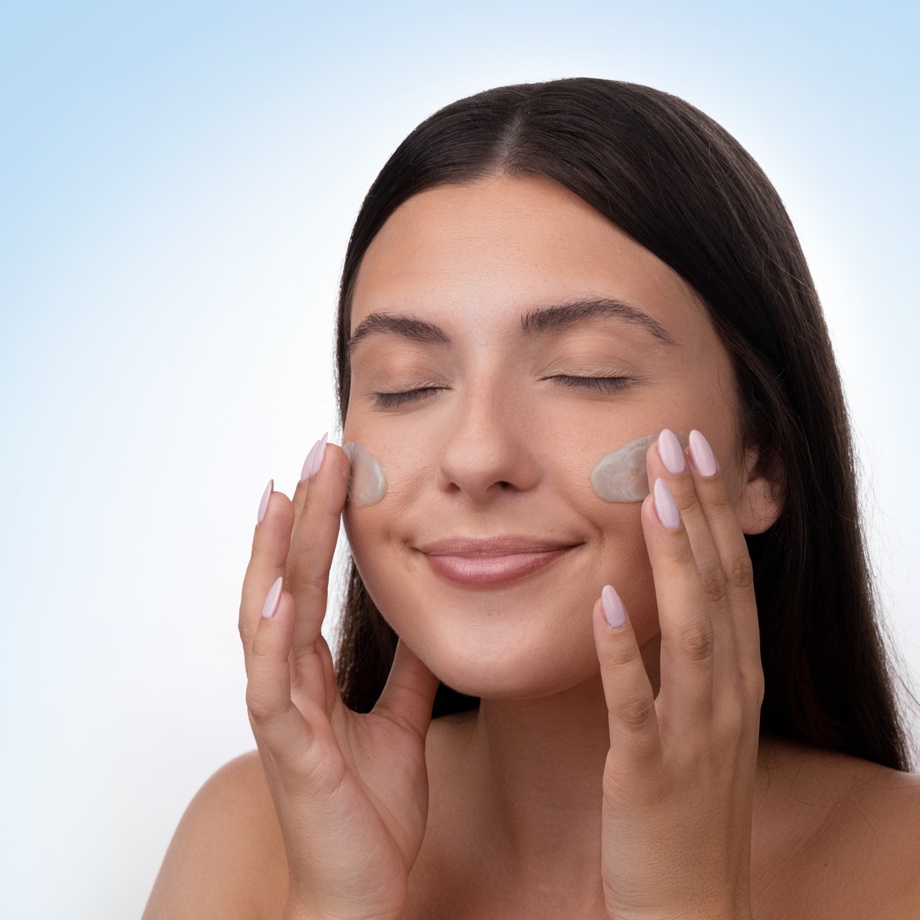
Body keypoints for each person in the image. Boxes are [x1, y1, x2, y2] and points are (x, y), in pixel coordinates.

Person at [143, 79, 920, 919]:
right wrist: (338, 903)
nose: (478, 457)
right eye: (406, 385)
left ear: (761, 459)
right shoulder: (250, 840)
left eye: (589, 373)